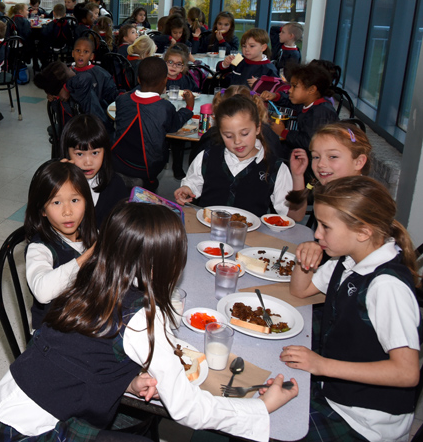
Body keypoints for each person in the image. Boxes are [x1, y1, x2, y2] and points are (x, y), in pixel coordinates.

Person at [0, 201, 298, 442]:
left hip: (5, 406)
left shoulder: (90, 281)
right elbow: (188, 408)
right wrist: (261, 408)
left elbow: (80, 356)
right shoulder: (141, 319)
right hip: (30, 433)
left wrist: (126, 381)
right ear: (161, 265)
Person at [284, 176, 418, 442]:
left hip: (365, 421)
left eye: (325, 226)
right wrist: (304, 257)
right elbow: (300, 291)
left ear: (363, 232)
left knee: (271, 425)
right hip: (335, 392)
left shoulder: (386, 287)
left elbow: (406, 373)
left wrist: (322, 365)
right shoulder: (347, 261)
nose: (317, 234)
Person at [174, 95, 303, 220]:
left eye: (244, 133)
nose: (237, 141)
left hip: (251, 233)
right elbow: (192, 184)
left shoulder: (275, 167)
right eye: (228, 136)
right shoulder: (206, 157)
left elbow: (296, 216)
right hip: (207, 230)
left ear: (257, 128)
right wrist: (186, 190)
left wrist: (298, 177)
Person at [23, 161, 97, 331]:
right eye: (56, 203)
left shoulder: (93, 235)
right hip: (53, 335)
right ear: (42, 210)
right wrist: (90, 255)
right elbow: (42, 292)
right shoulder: (39, 248)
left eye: (75, 200)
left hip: (86, 322)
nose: (67, 211)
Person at [110, 57, 192, 190]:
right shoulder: (165, 107)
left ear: (138, 79)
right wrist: (188, 108)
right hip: (147, 168)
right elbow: (174, 126)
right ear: (165, 80)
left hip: (118, 159)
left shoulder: (122, 100)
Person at [285, 122, 373, 218]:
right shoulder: (328, 188)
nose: (320, 164)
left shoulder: (361, 204)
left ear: (358, 162)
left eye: (333, 156)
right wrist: (298, 176)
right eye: (316, 157)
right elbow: (295, 216)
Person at [61, 114, 132, 228]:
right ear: (67, 153)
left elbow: (123, 226)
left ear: (105, 152)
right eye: (80, 154)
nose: (88, 162)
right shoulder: (59, 184)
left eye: (95, 153)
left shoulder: (115, 185)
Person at [273, 63, 338, 152]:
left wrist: (283, 132)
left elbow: (310, 142)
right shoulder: (306, 103)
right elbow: (289, 102)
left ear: (311, 90)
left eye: (294, 87)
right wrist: (276, 96)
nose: (290, 90)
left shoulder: (320, 112)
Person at [34, 61, 113, 130]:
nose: (71, 68)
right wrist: (66, 88)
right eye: (68, 69)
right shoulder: (78, 92)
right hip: (94, 130)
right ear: (65, 81)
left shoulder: (56, 99)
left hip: (70, 133)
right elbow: (86, 77)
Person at [71, 37, 118, 110]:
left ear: (91, 56)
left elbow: (111, 93)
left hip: (97, 113)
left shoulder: (101, 73)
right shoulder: (66, 73)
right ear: (73, 53)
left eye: (86, 51)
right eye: (78, 50)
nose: (81, 54)